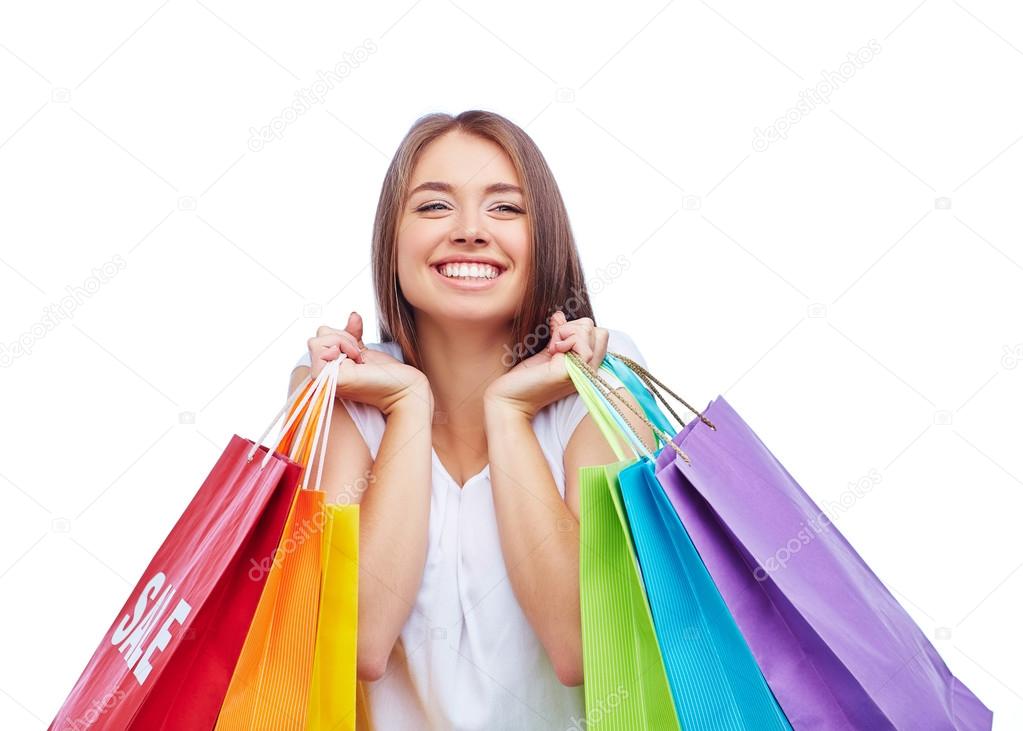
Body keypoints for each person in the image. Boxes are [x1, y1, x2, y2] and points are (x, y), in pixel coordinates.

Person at [289, 110, 655, 730]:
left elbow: (583, 648)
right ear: (392, 240)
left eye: (506, 209)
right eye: (434, 207)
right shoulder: (341, 388)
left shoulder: (602, 386)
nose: (469, 232)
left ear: (546, 240)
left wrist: (509, 414)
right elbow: (356, 644)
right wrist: (407, 406)